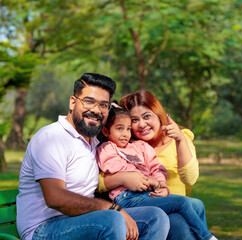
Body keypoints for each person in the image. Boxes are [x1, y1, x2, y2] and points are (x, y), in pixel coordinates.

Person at [16, 73, 169, 240]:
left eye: (103, 105)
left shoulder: (94, 143)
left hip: (83, 220)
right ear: (73, 103)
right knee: (112, 219)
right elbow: (55, 198)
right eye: (89, 102)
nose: (96, 110)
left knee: (156, 217)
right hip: (43, 228)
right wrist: (113, 208)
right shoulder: (51, 138)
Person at [97, 103, 217, 240]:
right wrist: (147, 180)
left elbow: (156, 167)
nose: (125, 134)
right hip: (128, 198)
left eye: (128, 129)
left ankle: (204, 236)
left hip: (148, 194)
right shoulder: (108, 148)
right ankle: (207, 237)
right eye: (119, 128)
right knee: (181, 208)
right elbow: (116, 168)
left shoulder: (139, 146)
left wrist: (160, 183)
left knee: (198, 204)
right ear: (106, 131)